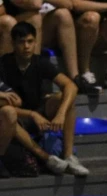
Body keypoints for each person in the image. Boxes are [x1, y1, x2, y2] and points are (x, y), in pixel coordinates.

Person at [0, 21, 87, 175]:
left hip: (38, 111)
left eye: (30, 41)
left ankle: (68, 157)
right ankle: (46, 158)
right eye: (21, 42)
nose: (26, 46)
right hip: (16, 117)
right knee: (8, 112)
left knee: (65, 100)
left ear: (35, 42)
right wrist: (32, 115)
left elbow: (71, 86)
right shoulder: (3, 64)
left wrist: (60, 114)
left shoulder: (40, 62)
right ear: (13, 44)